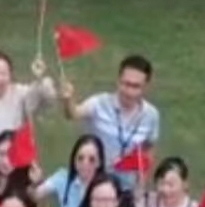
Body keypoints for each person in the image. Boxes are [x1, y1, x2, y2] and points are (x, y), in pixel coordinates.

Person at [60, 55, 160, 192]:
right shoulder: (99, 103)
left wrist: (141, 184)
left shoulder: (151, 115)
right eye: (126, 84)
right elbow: (73, 114)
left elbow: (148, 149)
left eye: (136, 86)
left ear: (146, 87)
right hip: (94, 183)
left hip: (127, 187)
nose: (129, 92)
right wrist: (68, 99)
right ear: (118, 81)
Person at [35, 135, 104, 207]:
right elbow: (34, 194)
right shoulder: (63, 178)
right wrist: (36, 181)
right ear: (74, 159)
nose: (85, 163)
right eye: (80, 158)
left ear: (99, 162)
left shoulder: (107, 188)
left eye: (91, 159)